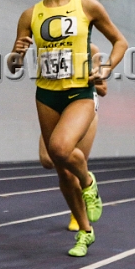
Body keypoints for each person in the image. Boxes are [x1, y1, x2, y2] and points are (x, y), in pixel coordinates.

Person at [8, 0, 128, 258]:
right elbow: (12, 64)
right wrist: (17, 54)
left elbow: (120, 42)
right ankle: (85, 232)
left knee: (59, 149)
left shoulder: (87, 7)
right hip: (46, 94)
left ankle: (88, 181)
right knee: (60, 169)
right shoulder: (30, 15)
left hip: (79, 93)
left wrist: (104, 69)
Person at [38, 42, 107, 232]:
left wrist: (93, 77)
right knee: (47, 159)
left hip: (82, 107)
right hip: (56, 110)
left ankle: (80, 215)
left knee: (71, 167)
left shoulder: (91, 49)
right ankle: (84, 185)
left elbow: (103, 89)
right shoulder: (46, 47)